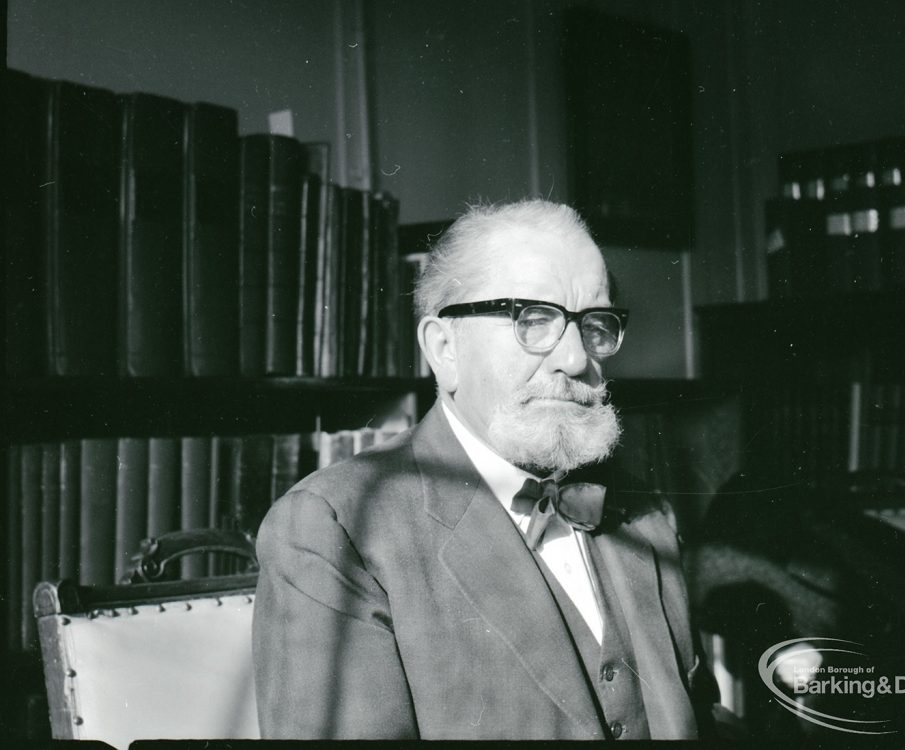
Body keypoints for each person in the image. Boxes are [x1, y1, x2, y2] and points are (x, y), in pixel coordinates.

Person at [252, 199, 717, 739]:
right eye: (533, 320)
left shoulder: (644, 516)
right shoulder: (335, 527)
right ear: (444, 348)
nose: (574, 359)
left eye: (595, 325)